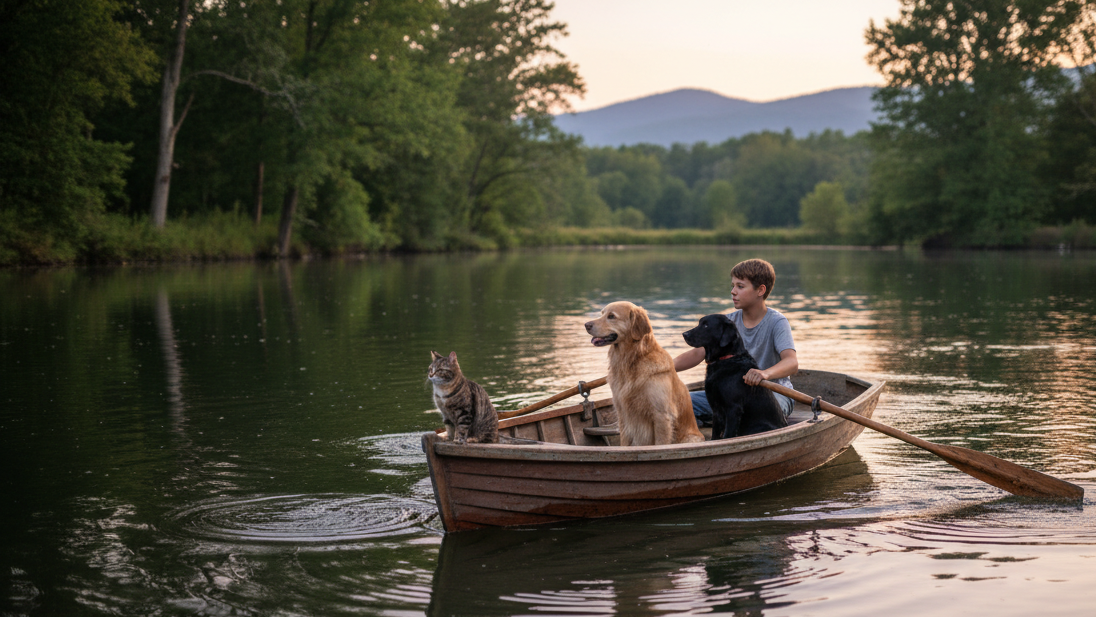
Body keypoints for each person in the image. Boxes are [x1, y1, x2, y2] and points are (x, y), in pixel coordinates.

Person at [673, 258, 798, 424]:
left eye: (740, 286)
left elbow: (791, 362)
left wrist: (764, 374)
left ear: (760, 290)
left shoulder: (777, 322)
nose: (733, 291)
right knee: (675, 402)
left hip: (773, 394)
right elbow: (697, 353)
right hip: (731, 394)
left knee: (760, 414)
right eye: (733, 286)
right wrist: (664, 368)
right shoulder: (727, 323)